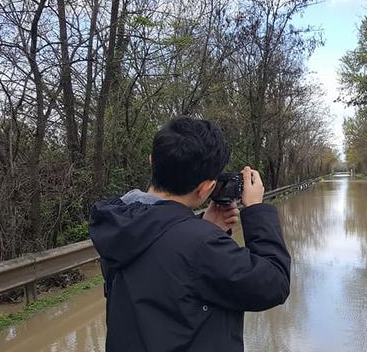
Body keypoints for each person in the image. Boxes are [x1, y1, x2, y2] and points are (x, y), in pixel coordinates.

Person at [89, 116, 291, 352]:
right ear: (206, 188)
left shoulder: (119, 223)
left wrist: (201, 228)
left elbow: (167, 286)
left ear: (152, 161)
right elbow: (274, 282)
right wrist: (256, 211)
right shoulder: (200, 244)